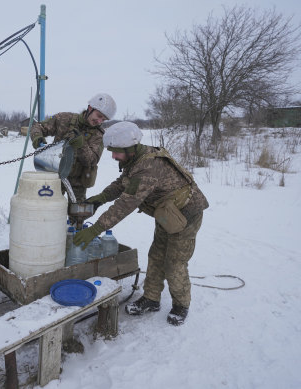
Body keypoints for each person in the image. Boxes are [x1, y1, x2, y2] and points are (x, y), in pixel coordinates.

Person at [73, 121, 209, 325]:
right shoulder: (136, 159)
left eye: (116, 152)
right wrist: (100, 198)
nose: (113, 156)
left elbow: (126, 203)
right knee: (156, 255)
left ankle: (181, 304)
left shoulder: (148, 167)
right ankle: (151, 299)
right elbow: (123, 183)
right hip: (166, 213)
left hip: (187, 213)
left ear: (130, 147)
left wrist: (96, 228)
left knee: (174, 263)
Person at [30, 93, 116, 205]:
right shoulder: (64, 118)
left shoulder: (99, 135)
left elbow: (92, 160)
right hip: (55, 176)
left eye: (103, 119)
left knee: (77, 215)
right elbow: (39, 126)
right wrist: (37, 137)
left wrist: (81, 145)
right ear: (90, 108)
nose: (99, 121)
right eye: (99, 116)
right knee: (48, 208)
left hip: (78, 183)